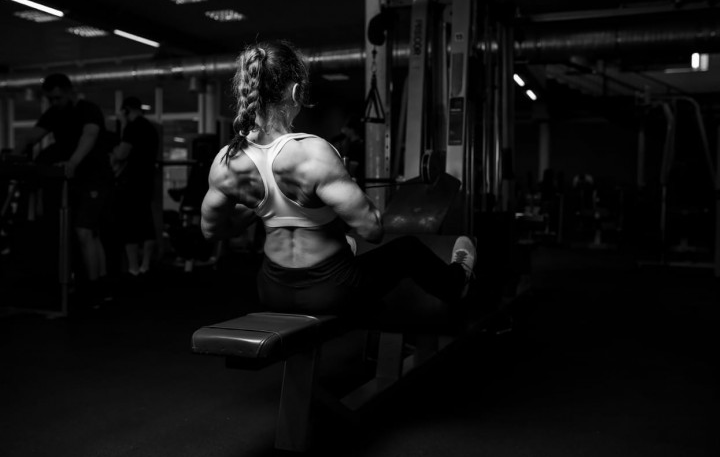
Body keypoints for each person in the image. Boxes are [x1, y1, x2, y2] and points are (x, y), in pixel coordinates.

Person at [200, 40, 476, 318]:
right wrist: (344, 183)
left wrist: (264, 204)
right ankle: (457, 281)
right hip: (331, 290)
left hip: (272, 290)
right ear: (295, 92)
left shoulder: (226, 160)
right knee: (408, 249)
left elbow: (212, 231)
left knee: (348, 245)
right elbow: (373, 229)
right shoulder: (313, 152)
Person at [20, 73, 113, 309]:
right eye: (50, 99)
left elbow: (89, 135)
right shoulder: (54, 113)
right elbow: (34, 135)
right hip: (73, 180)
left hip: (95, 177)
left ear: (70, 92)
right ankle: (99, 286)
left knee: (84, 232)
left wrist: (72, 162)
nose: (54, 102)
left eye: (58, 98)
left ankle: (95, 289)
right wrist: (16, 152)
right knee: (87, 234)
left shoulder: (88, 109)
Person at [109, 96, 159, 278]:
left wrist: (114, 148)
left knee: (130, 224)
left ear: (126, 110)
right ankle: (145, 264)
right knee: (146, 223)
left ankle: (133, 267)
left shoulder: (132, 127)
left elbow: (121, 154)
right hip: (147, 180)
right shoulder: (151, 128)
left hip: (131, 182)